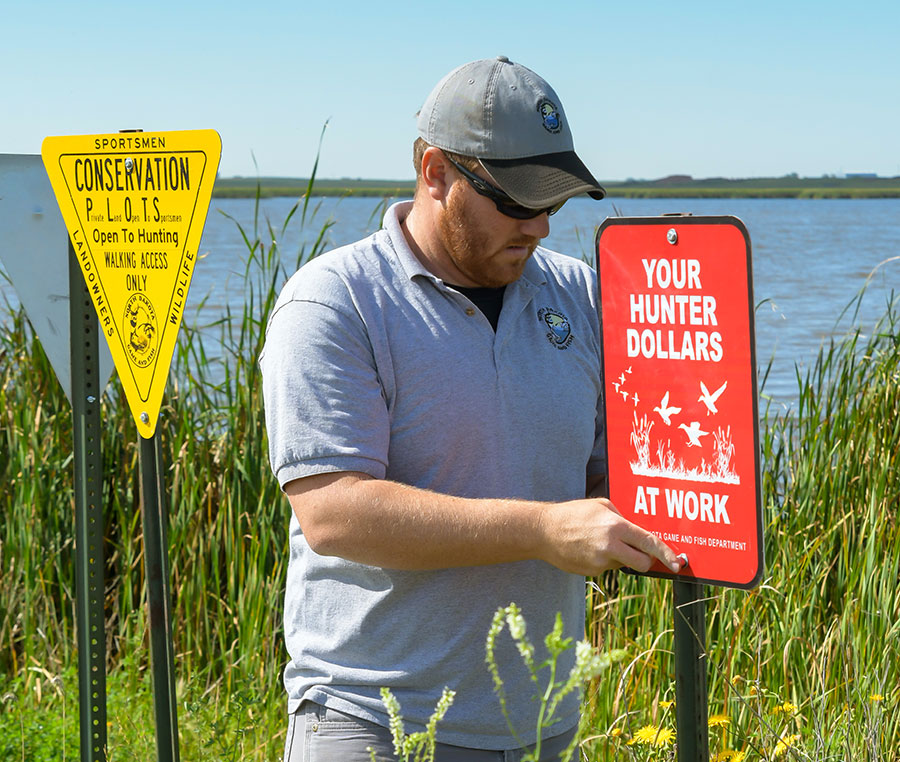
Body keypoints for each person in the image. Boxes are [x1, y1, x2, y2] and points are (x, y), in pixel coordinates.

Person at [260, 56, 683, 762]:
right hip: (372, 719)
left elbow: (620, 476)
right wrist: (544, 529)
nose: (541, 228)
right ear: (436, 173)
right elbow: (333, 512)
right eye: (517, 203)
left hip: (539, 724)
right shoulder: (336, 303)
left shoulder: (579, 295)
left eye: (554, 204)